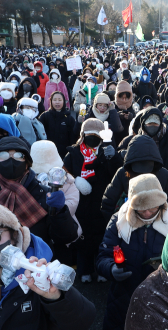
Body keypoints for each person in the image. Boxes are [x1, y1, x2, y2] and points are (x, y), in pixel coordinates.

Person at [96, 174, 168, 330]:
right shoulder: (118, 222)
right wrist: (111, 269)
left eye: (153, 207)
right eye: (141, 208)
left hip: (160, 299)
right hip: (124, 297)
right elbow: (102, 257)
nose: (147, 213)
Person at [64, 118, 121, 283]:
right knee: (83, 239)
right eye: (89, 134)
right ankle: (84, 270)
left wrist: (114, 157)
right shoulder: (74, 153)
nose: (92, 137)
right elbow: (63, 171)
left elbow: (116, 173)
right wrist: (75, 180)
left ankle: (102, 269)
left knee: (102, 237)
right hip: (81, 203)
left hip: (102, 200)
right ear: (83, 134)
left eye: (96, 134)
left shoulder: (106, 150)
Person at [39, 91, 76, 157]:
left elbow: (73, 137)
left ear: (64, 101)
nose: (57, 102)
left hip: (64, 154)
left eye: (60, 100)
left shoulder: (69, 118)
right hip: (47, 153)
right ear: (51, 101)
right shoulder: (45, 116)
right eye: (55, 100)